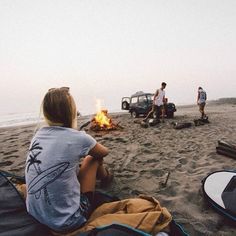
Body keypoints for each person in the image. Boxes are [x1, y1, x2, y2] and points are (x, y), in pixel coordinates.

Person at [25, 87, 113, 232]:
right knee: (92, 159)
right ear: (71, 112)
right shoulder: (77, 137)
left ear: (46, 113)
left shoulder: (38, 135)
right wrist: (86, 145)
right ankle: (106, 178)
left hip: (35, 212)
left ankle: (104, 177)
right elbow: (104, 152)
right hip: (67, 221)